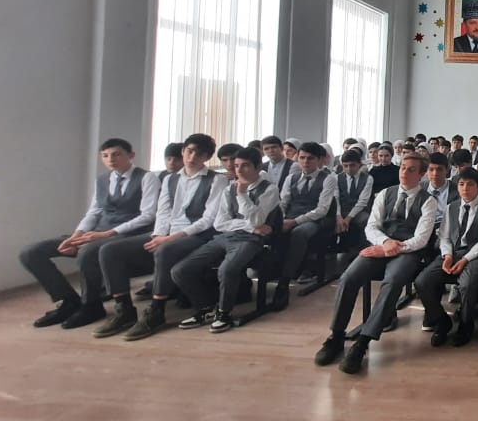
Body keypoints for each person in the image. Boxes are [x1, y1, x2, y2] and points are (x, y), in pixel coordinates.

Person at [314, 153, 437, 374]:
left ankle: (363, 342)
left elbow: (421, 239)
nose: (405, 172)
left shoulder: (428, 201)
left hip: (407, 251)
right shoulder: (384, 194)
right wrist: (384, 244)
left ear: (421, 174)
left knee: (393, 282)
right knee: (349, 277)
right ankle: (336, 336)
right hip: (381, 245)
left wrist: (391, 248)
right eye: (403, 167)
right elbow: (371, 227)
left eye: (411, 169)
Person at [100, 133, 228, 340]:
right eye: (189, 151)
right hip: (166, 233)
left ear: (207, 157)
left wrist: (170, 238)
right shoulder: (170, 179)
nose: (192, 157)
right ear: (183, 151)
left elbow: (209, 219)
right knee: (109, 250)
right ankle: (124, 309)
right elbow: (163, 212)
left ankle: (156, 310)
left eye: (199, 154)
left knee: (165, 250)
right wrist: (159, 234)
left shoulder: (217, 180)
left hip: (199, 234)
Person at [20, 138, 159, 329]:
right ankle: (68, 301)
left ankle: (91, 305)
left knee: (88, 252)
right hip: (96, 234)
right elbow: (94, 212)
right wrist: (77, 235)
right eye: (105, 156)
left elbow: (148, 215)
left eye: (116, 154)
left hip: (128, 236)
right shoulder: (102, 180)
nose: (111, 159)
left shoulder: (147, 178)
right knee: (31, 252)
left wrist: (108, 234)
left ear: (131, 155)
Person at [170, 147, 281, 334]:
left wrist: (243, 195)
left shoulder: (269, 189)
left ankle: (223, 312)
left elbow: (257, 220)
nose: (239, 170)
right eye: (237, 166)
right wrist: (249, 226)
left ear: (257, 166)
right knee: (180, 270)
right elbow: (220, 223)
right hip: (226, 236)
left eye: (245, 165)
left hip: (252, 241)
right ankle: (205, 307)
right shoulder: (228, 189)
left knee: (227, 269)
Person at [415, 167, 478, 348]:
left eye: (470, 184)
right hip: (452, 253)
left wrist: (465, 259)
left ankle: (466, 324)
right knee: (422, 281)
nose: (465, 188)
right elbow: (444, 236)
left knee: (467, 285)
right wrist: (447, 256)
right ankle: (441, 321)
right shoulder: (451, 207)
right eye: (461, 184)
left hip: (476, 255)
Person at [275, 142, 337, 308]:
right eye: (302, 158)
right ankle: (273, 270)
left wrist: (295, 222)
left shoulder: (328, 178)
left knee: (299, 233)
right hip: (289, 217)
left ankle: (284, 281)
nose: (305, 162)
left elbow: (322, 209)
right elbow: (283, 202)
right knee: (272, 231)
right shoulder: (291, 178)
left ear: (319, 160)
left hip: (314, 220)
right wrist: (280, 219)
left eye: (310, 158)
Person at [335, 149, 374, 249]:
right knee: (329, 221)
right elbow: (336, 199)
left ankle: (362, 248)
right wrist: (339, 216)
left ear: (359, 164)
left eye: (352, 165)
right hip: (341, 210)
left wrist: (348, 218)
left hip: (359, 211)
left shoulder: (368, 178)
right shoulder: (336, 178)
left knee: (365, 219)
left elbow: (362, 202)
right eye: (345, 166)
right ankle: (336, 249)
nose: (349, 169)